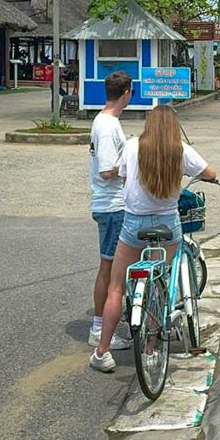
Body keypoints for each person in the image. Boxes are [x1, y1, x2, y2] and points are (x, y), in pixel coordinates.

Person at [91, 105, 216, 372]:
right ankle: (150, 347)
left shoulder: (132, 146)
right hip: (168, 225)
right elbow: (210, 173)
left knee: (116, 288)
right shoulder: (180, 150)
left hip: (133, 224)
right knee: (161, 280)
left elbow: (124, 178)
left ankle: (102, 352)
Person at [87, 71, 133, 352]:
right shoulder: (106, 126)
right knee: (111, 269)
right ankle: (100, 329)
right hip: (111, 206)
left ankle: (105, 323)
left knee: (115, 269)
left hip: (114, 204)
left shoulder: (108, 122)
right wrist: (131, 163)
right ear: (126, 93)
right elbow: (106, 170)